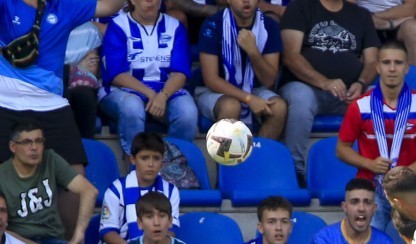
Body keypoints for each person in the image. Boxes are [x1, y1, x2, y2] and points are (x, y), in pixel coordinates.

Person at [336, 40, 416, 242]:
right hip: (371, 187)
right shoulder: (360, 106)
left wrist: (407, 172)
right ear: (377, 67)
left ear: (407, 67)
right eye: (386, 63)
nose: (392, 68)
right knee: (364, 243)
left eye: (398, 63)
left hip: (410, 188)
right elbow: (341, 149)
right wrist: (369, 163)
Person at [0, 0, 126, 168]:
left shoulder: (65, 6)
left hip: (51, 103)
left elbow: (111, 6)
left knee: (75, 175)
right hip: (5, 100)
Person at [279, 0, 380, 182]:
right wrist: (324, 82)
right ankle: (294, 171)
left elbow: (373, 61)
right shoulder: (300, 7)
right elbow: (290, 56)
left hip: (349, 92)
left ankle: (379, 168)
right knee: (301, 98)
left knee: (379, 99)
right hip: (307, 88)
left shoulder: (361, 15)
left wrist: (361, 83)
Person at [0, 121, 95, 244]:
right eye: (27, 142)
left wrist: (78, 234)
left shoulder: (50, 159)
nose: (34, 147)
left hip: (53, 241)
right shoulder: (2, 175)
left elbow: (89, 191)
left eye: (39, 141)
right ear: (13, 147)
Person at [99, 0, 198, 156]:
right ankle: (135, 168)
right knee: (132, 107)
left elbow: (180, 72)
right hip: (124, 90)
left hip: (165, 90)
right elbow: (117, 74)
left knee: (187, 112)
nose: (151, 1)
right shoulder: (118, 25)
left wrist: (163, 96)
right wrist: (152, 95)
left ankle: (174, 169)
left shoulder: (174, 26)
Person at [98, 132, 181, 244]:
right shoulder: (116, 189)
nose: (150, 164)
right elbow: (107, 232)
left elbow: (171, 229)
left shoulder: (170, 191)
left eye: (156, 158)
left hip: (158, 243)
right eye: (145, 158)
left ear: (162, 161)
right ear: (133, 159)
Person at [197, 0, 288, 140]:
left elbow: (269, 80)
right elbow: (211, 80)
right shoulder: (212, 25)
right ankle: (227, 161)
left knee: (279, 107)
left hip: (254, 88)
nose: (246, 1)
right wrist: (248, 99)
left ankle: (257, 157)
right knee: (231, 106)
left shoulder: (269, 26)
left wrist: (253, 52)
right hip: (214, 91)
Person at [357, 0, 416, 67]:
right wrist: (370, 19)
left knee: (414, 28)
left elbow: (411, 8)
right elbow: (350, 7)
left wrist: (380, 19)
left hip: (396, 17)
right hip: (364, 17)